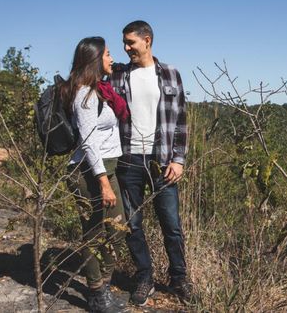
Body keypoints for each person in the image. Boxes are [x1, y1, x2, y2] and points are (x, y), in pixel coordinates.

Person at [110, 21, 191, 306]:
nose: (126, 48)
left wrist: (179, 160)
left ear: (147, 40)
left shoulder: (170, 73)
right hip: (128, 159)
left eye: (131, 42)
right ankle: (145, 277)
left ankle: (179, 279)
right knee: (132, 224)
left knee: (172, 224)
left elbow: (181, 121)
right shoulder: (118, 75)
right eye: (124, 43)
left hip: (162, 161)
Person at [62, 36, 129, 313]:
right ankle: (96, 294)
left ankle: (103, 287)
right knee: (93, 233)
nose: (111, 59)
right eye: (108, 54)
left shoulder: (97, 90)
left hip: (104, 170)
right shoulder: (84, 95)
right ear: (94, 59)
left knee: (117, 229)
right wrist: (103, 182)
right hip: (89, 173)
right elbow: (88, 142)